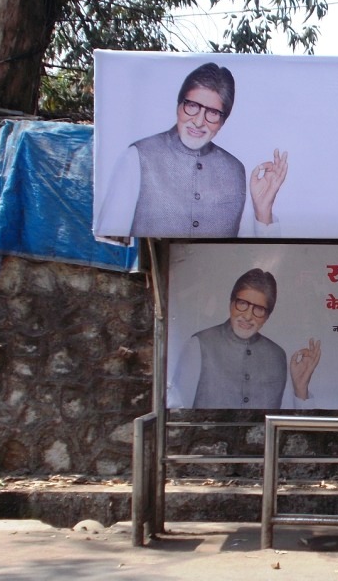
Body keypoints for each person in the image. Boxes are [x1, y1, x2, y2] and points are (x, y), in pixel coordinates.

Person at [96, 62, 288, 238]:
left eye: (212, 113)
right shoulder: (137, 157)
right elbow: (110, 246)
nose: (198, 121)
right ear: (179, 106)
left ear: (222, 122)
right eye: (192, 106)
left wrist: (263, 211)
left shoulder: (236, 171)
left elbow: (253, 254)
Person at [169, 268, 321, 409]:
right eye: (242, 304)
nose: (248, 316)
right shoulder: (198, 345)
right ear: (231, 303)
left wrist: (301, 389)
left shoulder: (277, 355)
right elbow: (177, 411)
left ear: (267, 316)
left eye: (259, 309)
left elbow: (291, 426)